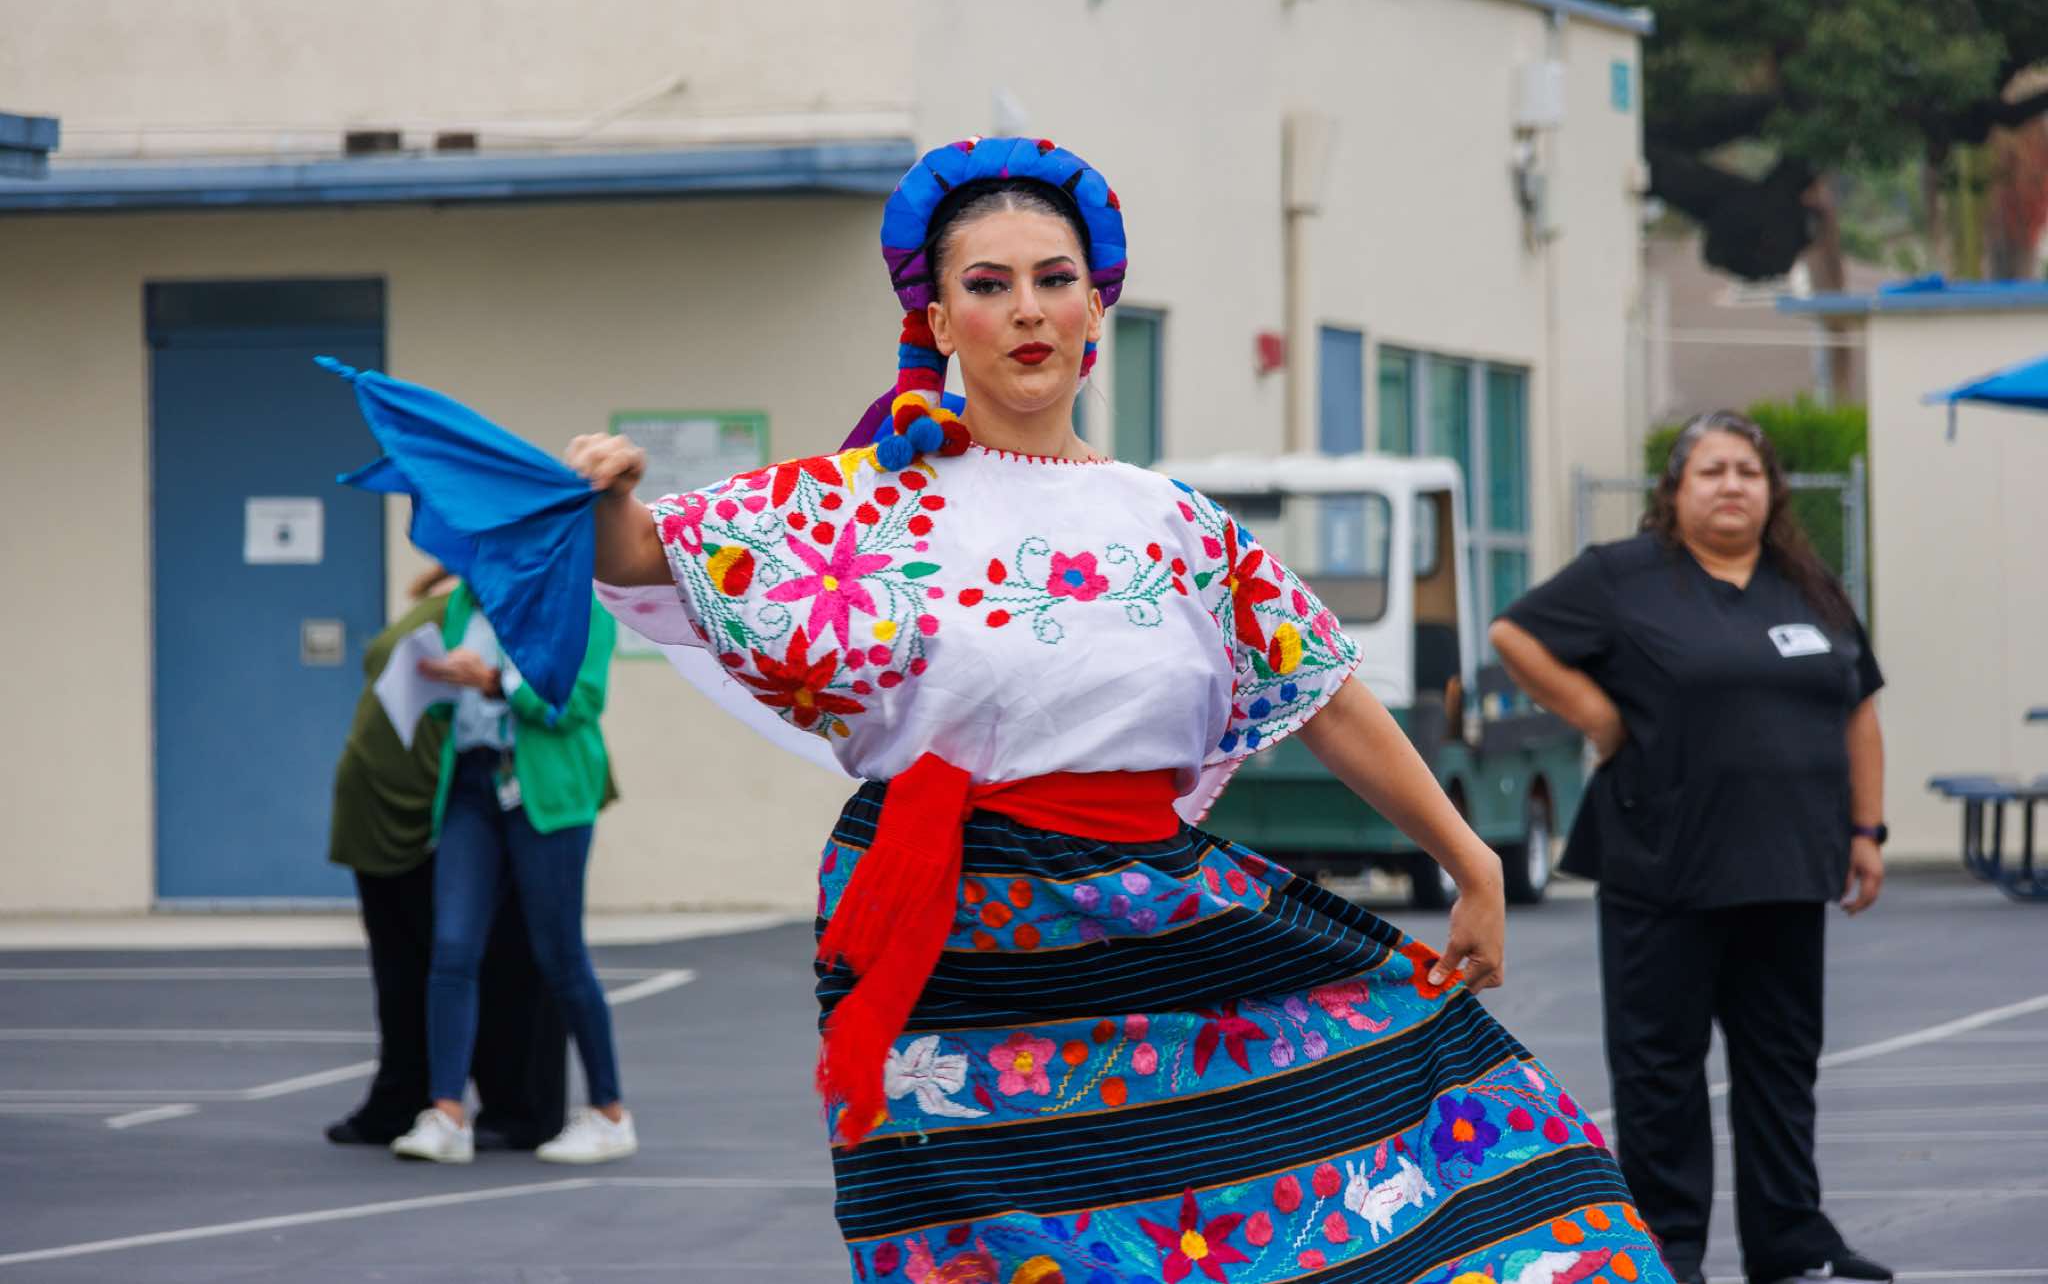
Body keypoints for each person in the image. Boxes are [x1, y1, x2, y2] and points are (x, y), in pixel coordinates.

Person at [559, 136, 1677, 1281]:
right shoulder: (856, 505)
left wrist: (1468, 861)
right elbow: (646, 556)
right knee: (987, 1256)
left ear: (1095, 308)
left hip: (1153, 927)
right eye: (987, 285)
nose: (1026, 310)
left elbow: (1325, 695)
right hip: (955, 947)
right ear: (937, 322)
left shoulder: (1170, 522)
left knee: (1357, 1186)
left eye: (1054, 280)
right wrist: (603, 494)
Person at [1490, 410, 1891, 1284]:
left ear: (1771, 490)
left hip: (1789, 866)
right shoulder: (1624, 576)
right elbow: (1514, 634)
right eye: (1711, 471)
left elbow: (1858, 706)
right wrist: (1596, 714)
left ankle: (1792, 1239)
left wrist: (1866, 829)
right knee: (1660, 1069)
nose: (1731, 485)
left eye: (1748, 470)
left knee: (1782, 1063)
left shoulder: (1809, 585)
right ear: (1674, 491)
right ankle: (1668, 1246)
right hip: (1662, 863)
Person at [388, 577, 634, 1165]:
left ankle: (609, 1114)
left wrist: (494, 682)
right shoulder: (465, 601)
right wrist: (437, 680)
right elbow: (455, 704)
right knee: (452, 947)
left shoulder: (578, 602)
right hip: (472, 784)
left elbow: (580, 701)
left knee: (560, 955)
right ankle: (447, 1114)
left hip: (545, 790)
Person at [325, 564, 569, 1151]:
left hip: (464, 799)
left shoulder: (512, 597)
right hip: (399, 808)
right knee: (417, 966)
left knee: (503, 961)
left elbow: (561, 699)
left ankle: (511, 1104)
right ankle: (420, 1099)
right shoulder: (456, 596)